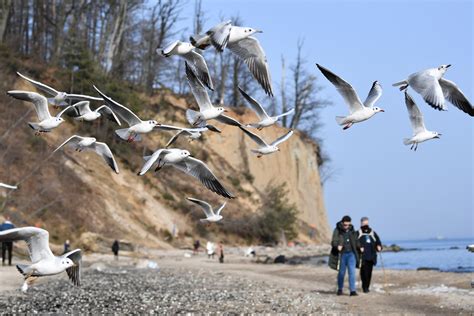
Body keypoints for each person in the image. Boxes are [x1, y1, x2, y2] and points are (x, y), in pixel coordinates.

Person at [329, 215, 361, 296]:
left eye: (348, 225)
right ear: (342, 223)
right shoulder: (337, 230)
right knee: (341, 273)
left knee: (352, 272)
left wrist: (360, 246)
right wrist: (337, 246)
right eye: (345, 225)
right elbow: (333, 241)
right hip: (341, 255)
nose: (347, 226)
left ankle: (352, 291)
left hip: (351, 254)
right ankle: (340, 289)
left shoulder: (352, 231)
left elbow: (356, 241)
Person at [358, 217, 382, 293]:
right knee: (363, 272)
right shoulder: (358, 233)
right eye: (364, 223)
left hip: (371, 256)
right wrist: (359, 247)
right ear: (361, 223)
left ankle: (367, 287)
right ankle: (364, 287)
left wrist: (379, 246)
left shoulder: (372, 233)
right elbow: (355, 242)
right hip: (362, 256)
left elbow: (378, 241)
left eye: (367, 223)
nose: (365, 225)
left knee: (369, 273)